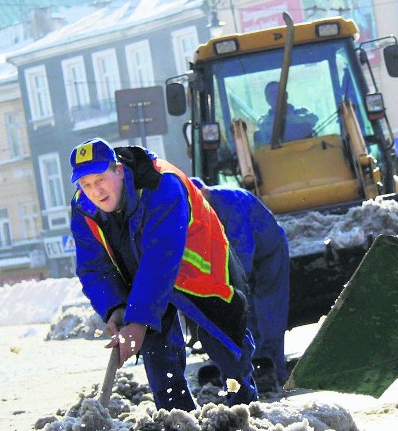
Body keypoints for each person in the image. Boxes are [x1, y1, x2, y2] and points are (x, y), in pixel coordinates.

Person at [69, 138, 258, 410]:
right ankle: (179, 426)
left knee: (225, 343)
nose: (95, 191)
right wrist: (116, 307)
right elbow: (93, 267)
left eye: (100, 179)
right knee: (158, 358)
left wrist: (138, 320)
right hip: (144, 279)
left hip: (202, 269)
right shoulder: (83, 207)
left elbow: (161, 256)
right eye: (86, 184)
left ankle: (245, 413)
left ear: (119, 170)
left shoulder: (161, 184)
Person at [190, 178, 290, 392]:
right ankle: (252, 367)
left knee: (268, 310)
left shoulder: (228, 202)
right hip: (248, 257)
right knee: (249, 314)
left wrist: (233, 286)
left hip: (269, 253)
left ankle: (273, 372)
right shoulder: (206, 209)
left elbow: (243, 247)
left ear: (203, 195)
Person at [254, 80, 318, 146]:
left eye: (278, 92)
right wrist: (290, 120)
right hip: (276, 155)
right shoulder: (264, 120)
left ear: (286, 95)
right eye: (271, 94)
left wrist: (294, 119)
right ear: (267, 100)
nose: (275, 96)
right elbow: (263, 125)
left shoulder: (301, 111)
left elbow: (314, 119)